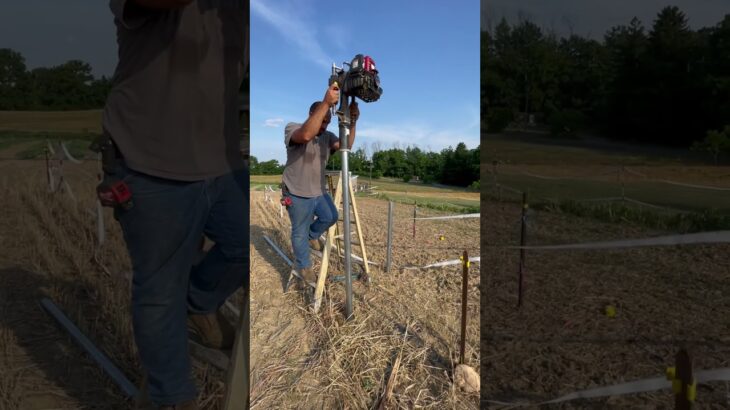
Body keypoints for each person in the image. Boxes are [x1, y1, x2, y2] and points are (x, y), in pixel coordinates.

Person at [101, 0, 247, 409]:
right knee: (159, 291)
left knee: (247, 248)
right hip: (150, 161)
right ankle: (171, 398)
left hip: (222, 165)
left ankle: (197, 303)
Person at [281, 83, 360, 287]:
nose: (324, 125)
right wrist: (326, 102)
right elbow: (306, 135)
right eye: (321, 120)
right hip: (297, 192)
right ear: (311, 113)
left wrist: (353, 122)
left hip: (318, 191)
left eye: (327, 121)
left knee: (330, 216)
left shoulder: (327, 137)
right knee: (298, 231)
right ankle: (304, 265)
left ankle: (310, 236)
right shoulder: (293, 128)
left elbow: (346, 147)